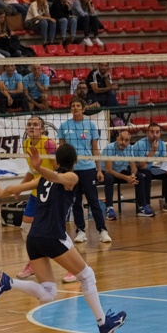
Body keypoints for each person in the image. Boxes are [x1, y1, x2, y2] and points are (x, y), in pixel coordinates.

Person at [0, 145, 127, 333]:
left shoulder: (42, 179)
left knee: (49, 292)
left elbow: (15, 189)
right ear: (75, 161)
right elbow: (57, 178)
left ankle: (8, 282)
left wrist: (3, 192)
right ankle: (103, 324)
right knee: (87, 276)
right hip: (51, 236)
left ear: (56, 161)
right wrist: (38, 168)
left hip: (34, 238)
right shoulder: (72, 178)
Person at [57, 97, 111, 244]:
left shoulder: (90, 125)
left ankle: (102, 230)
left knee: (93, 201)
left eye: (78, 106)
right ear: (70, 109)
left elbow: (95, 149)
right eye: (73, 106)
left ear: (83, 109)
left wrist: (99, 169)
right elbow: (61, 150)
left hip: (88, 168)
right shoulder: (64, 126)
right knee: (76, 202)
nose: (75, 108)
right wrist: (61, 170)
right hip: (71, 171)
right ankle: (80, 231)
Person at [12, 115, 56, 280]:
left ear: (42, 129)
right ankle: (33, 262)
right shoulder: (26, 144)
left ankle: (72, 268)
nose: (31, 127)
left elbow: (58, 168)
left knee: (55, 232)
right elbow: (32, 171)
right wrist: (20, 188)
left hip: (51, 192)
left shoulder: (48, 144)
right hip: (36, 193)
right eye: (29, 124)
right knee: (25, 227)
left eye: (35, 124)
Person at [131, 122, 167, 214]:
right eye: (152, 132)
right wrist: (153, 151)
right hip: (139, 170)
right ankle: (146, 204)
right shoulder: (140, 144)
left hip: (152, 168)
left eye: (157, 132)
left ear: (160, 133)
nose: (155, 135)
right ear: (147, 133)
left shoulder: (162, 144)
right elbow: (142, 166)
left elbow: (163, 160)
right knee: (146, 174)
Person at [102, 131, 149, 218]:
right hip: (105, 172)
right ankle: (109, 208)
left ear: (129, 142)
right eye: (121, 139)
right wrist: (126, 178)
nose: (123, 142)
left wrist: (132, 176)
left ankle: (142, 206)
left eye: (126, 140)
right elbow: (109, 170)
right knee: (109, 178)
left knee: (139, 176)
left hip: (119, 171)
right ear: (117, 138)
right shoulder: (110, 148)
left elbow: (134, 168)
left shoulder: (129, 148)